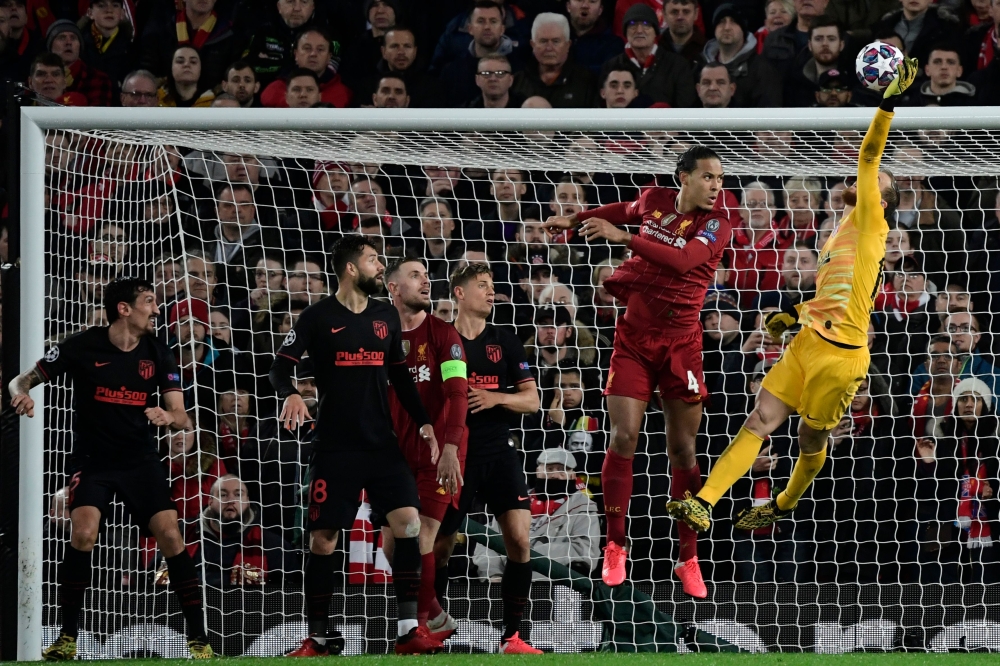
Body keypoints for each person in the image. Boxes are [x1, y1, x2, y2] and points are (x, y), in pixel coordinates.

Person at [667, 57, 919, 543]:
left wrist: (887, 106)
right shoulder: (838, 234)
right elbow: (836, 293)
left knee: (810, 438)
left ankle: (783, 503)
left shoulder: (873, 221)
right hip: (807, 342)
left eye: (877, 184)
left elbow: (869, 158)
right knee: (759, 419)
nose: (863, 180)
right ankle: (704, 502)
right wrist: (791, 315)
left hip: (841, 357)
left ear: (882, 199)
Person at [545, 146, 736, 596]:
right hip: (633, 339)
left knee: (683, 450)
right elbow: (624, 210)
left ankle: (688, 556)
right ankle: (615, 545)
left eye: (720, 179)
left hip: (682, 346)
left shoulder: (717, 225)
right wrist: (576, 219)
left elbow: (683, 260)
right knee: (623, 437)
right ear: (683, 177)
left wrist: (623, 238)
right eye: (708, 177)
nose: (715, 187)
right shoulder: (654, 200)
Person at [9, 277, 214, 659]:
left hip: (140, 461)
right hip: (93, 462)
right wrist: (21, 395)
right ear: (124, 309)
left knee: (171, 537)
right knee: (83, 533)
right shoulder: (82, 346)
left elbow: (182, 416)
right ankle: (67, 638)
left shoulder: (159, 352)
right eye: (149, 301)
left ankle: (199, 640)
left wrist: (167, 417)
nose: (157, 310)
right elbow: (20, 381)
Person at [269, 236, 444, 655]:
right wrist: (290, 394)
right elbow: (279, 368)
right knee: (323, 540)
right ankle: (318, 636)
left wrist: (424, 422)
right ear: (351, 268)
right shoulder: (316, 317)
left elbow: (399, 375)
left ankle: (408, 631)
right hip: (335, 448)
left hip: (382, 446)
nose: (380, 266)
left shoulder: (385, 316)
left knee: (410, 525)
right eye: (373, 260)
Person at [433, 263, 542, 654]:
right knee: (441, 547)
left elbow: (532, 401)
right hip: (455, 455)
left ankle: (513, 636)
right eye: (482, 285)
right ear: (459, 293)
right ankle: (433, 628)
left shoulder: (505, 341)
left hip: (499, 451)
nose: (491, 292)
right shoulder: (441, 340)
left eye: (492, 286)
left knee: (519, 540)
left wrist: (497, 398)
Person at [381, 258, 468, 637]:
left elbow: (458, 394)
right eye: (415, 275)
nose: (426, 281)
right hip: (392, 453)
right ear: (393, 288)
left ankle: (418, 630)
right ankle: (436, 616)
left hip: (440, 453)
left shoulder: (444, 334)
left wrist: (450, 448)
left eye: (427, 275)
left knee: (419, 539)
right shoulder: (378, 333)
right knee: (391, 548)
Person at [473, 447, 601, 580]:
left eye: (562, 470)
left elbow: (585, 552)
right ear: (537, 471)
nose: (555, 475)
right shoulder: (514, 501)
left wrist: (524, 553)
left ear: (573, 475)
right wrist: (493, 575)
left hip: (553, 582)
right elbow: (489, 540)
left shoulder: (584, 508)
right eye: (549, 469)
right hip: (503, 581)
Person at [185, 475, 300, 587]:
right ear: (210, 502)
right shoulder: (183, 535)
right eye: (223, 495)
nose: (231, 500)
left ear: (248, 502)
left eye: (238, 495)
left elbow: (291, 594)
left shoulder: (275, 547)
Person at [601, 3, 696, 107]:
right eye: (632, 24)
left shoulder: (678, 65)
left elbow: (685, 107)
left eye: (646, 24)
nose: (639, 30)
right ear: (625, 32)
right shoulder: (611, 66)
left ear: (655, 32)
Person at [698, 3, 782, 107]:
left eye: (734, 22)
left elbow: (769, 111)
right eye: (721, 22)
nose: (727, 27)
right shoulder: (699, 64)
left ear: (743, 29)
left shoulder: (762, 70)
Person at [510, 12, 598, 108]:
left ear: (568, 45)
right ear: (533, 45)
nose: (549, 48)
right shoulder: (516, 81)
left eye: (556, 41)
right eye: (543, 41)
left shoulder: (588, 82)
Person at [46, 19, 111, 106]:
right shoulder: (39, 78)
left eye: (73, 38)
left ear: (80, 46)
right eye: (62, 38)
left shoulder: (98, 79)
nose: (68, 42)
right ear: (50, 46)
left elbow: (98, 114)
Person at [907, 44, 976, 105]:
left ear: (959, 71)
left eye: (951, 62)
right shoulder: (911, 105)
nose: (944, 67)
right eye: (937, 62)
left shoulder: (975, 106)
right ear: (927, 70)